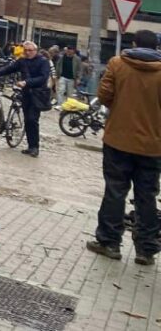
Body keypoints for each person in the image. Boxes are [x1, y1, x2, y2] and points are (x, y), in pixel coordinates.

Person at [87, 29, 161, 266]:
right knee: (147, 196)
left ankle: (109, 242)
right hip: (153, 144)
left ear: (134, 43)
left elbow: (104, 95)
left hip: (118, 140)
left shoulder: (118, 63)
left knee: (115, 190)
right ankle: (146, 250)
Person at [0, 40, 52, 157]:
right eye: (25, 50)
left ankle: (34, 147)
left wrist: (26, 82)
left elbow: (43, 78)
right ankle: (30, 146)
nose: (27, 53)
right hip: (26, 94)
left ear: (35, 51)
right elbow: (8, 69)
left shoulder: (43, 62)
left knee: (33, 120)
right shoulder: (22, 61)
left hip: (38, 94)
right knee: (27, 120)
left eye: (30, 50)